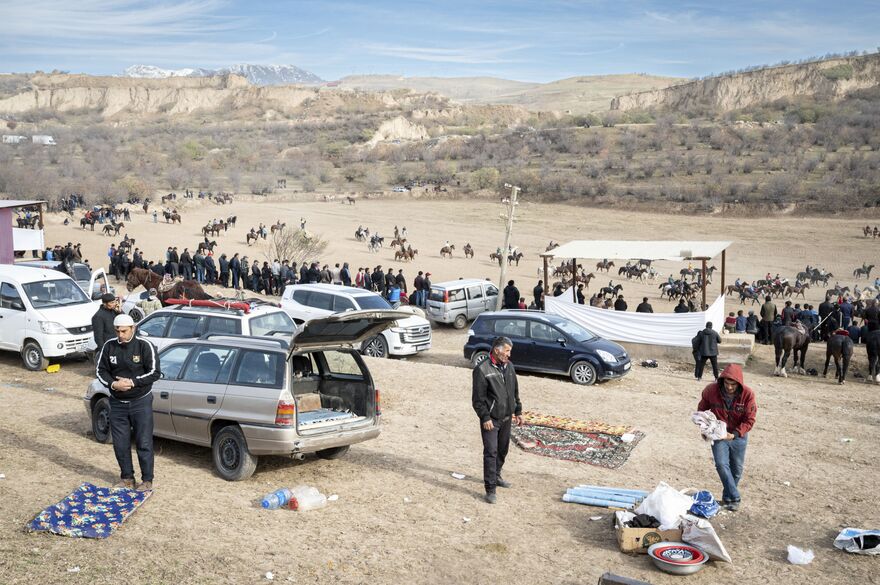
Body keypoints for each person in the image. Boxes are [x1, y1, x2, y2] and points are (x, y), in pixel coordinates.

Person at [96, 314, 161, 491]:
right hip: (117, 403)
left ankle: (147, 480)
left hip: (141, 402)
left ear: (132, 328)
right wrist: (113, 384)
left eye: (124, 331)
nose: (120, 335)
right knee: (120, 443)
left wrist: (133, 382)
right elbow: (100, 371)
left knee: (144, 442)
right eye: (117, 331)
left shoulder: (144, 345)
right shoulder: (109, 346)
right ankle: (127, 478)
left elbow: (155, 372)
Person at [696, 364, 757, 511]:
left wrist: (735, 434)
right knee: (721, 465)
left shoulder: (748, 394)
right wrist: (705, 430)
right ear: (722, 381)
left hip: (739, 436)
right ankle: (735, 497)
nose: (729, 387)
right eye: (727, 383)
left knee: (737, 469)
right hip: (719, 434)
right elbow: (701, 411)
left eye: (733, 384)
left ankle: (727, 497)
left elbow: (750, 420)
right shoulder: (711, 390)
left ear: (739, 383)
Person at [471, 337, 523, 504]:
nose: (509, 354)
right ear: (497, 350)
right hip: (491, 420)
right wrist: (485, 417)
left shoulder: (509, 366)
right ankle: (490, 488)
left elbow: (514, 391)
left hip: (507, 417)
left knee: (502, 450)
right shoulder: (482, 369)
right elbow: (477, 399)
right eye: (507, 351)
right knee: (491, 452)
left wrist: (518, 410)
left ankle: (497, 475)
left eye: (510, 351)